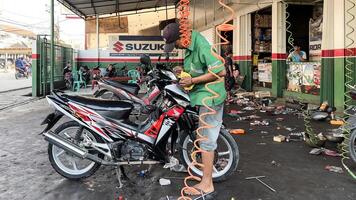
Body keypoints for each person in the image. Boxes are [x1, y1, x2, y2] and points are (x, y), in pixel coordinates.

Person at [162, 22, 226, 197]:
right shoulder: (190, 47)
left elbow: (221, 72)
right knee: (203, 138)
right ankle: (205, 181)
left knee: (205, 141)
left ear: (182, 37)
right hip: (202, 96)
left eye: (176, 44)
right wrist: (183, 72)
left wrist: (192, 81)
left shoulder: (200, 44)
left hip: (211, 97)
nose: (177, 48)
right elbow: (199, 70)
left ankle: (207, 184)